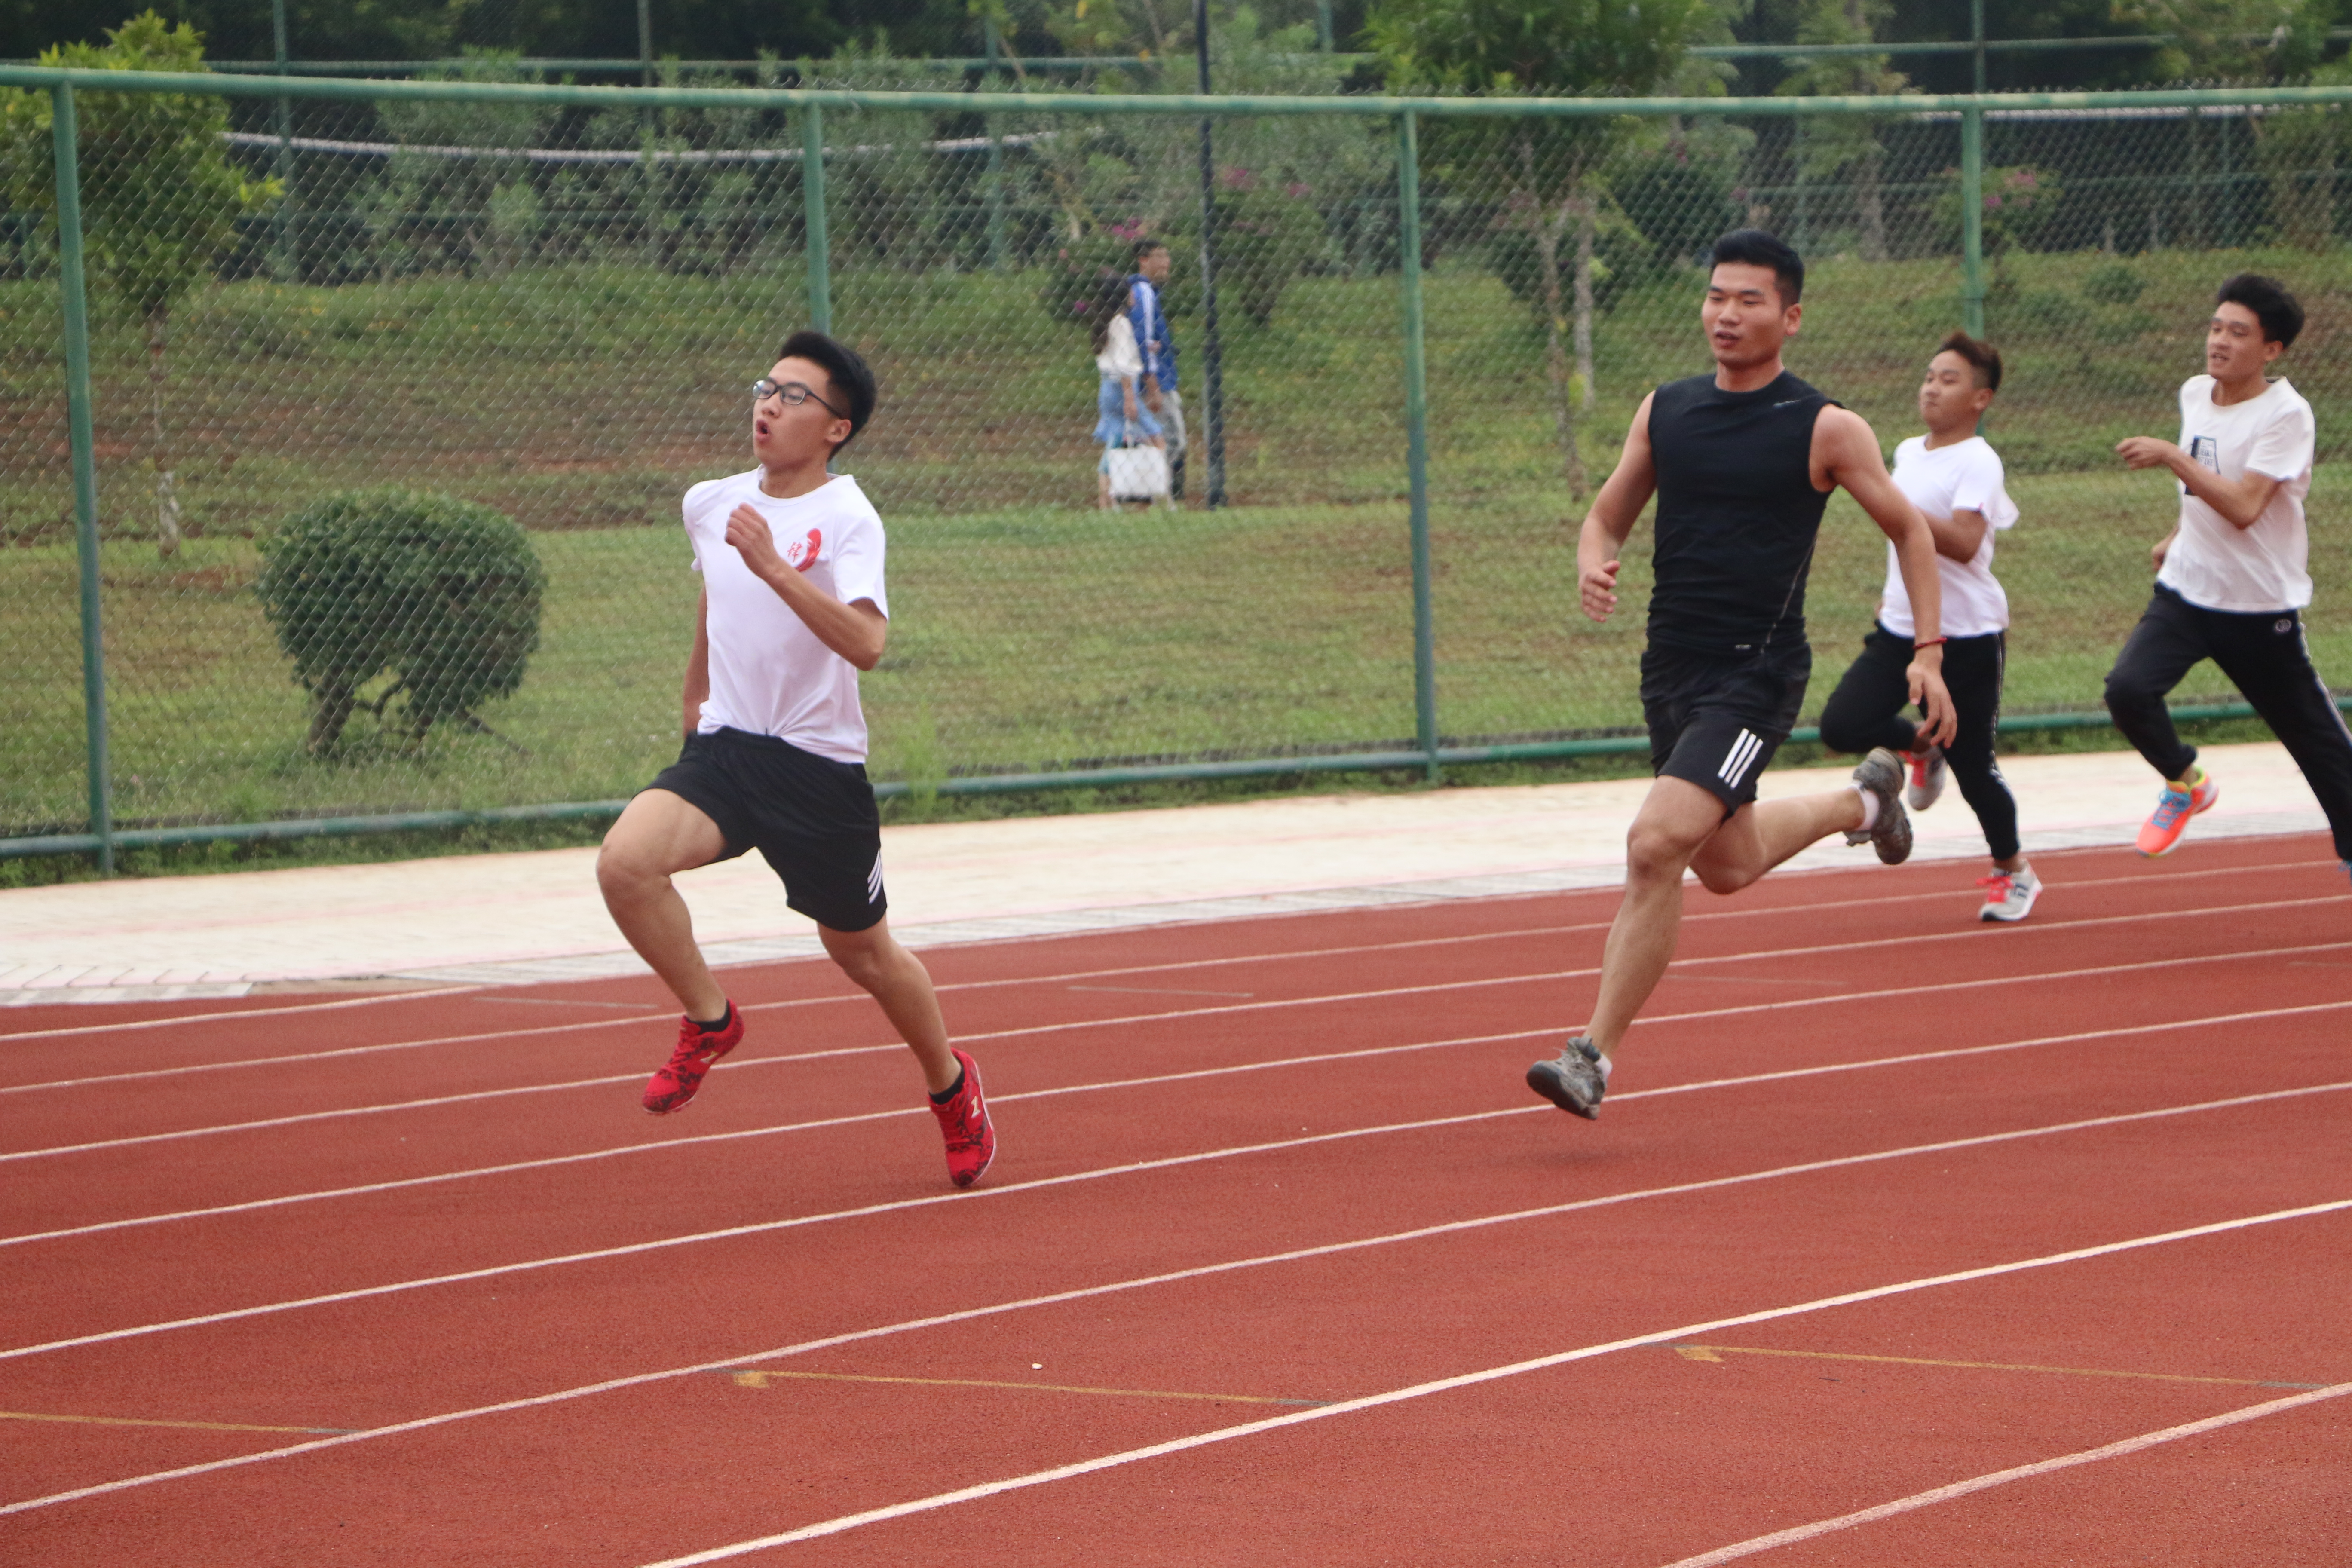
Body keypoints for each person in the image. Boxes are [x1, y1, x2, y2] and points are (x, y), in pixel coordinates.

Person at [1526, 229, 1957, 1122]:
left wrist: (1928, 653)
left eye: (1749, 300)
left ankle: (1592, 1055)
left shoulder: (1825, 427)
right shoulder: (1667, 410)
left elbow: (1912, 533)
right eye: (1716, 296)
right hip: (1670, 668)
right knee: (1724, 864)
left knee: (1655, 845)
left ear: (1790, 317)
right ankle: (1864, 802)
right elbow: (1606, 516)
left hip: (1754, 674)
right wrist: (1592, 558)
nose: (1727, 313)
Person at [594, 329, 997, 1190]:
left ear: (837, 428)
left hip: (819, 770)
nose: (767, 405)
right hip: (730, 749)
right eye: (764, 389)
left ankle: (951, 1088)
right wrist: (694, 695)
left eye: (793, 396)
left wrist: (777, 566)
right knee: (626, 864)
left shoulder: (849, 517)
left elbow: (869, 643)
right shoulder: (712, 501)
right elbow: (716, 587)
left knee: (863, 955)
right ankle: (710, 1020)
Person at [2104, 273, 2352, 873]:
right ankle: (2186, 781)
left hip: (2258, 609)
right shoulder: (2196, 394)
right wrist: (2178, 536)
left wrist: (2172, 456)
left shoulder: (2287, 414)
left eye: (2239, 333)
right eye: (2217, 327)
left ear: (2272, 350)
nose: (2220, 341)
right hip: (2187, 594)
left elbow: (2244, 506)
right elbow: (2205, 495)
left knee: (2322, 752)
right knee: (2128, 691)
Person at [1818, 332, 2038, 922]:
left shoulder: (1979, 461)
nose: (1932, 388)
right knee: (1843, 723)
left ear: (1981, 398)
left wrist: (1900, 513)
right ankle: (1922, 747)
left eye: (1949, 380)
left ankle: (2013, 870)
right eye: (1929, 376)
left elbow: (1966, 544)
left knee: (1976, 768)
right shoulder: (1907, 452)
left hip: (1967, 637)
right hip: (1900, 629)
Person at [1090, 273, 1165, 511]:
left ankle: (1107, 502)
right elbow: (1124, 365)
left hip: (1107, 388)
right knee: (1156, 436)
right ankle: (1155, 496)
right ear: (1123, 296)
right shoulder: (1121, 323)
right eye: (1130, 292)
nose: (1134, 295)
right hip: (1123, 390)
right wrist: (1131, 399)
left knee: (1115, 444)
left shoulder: (1105, 322)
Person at [1129, 239, 1186, 502]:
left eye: (1167, 255)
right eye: (1159, 256)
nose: (1166, 262)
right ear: (1143, 260)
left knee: (1150, 439)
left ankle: (1147, 494)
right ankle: (1157, 495)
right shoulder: (1144, 293)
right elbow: (1144, 343)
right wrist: (1153, 387)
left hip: (1157, 377)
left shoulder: (1145, 293)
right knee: (1172, 441)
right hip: (1157, 381)